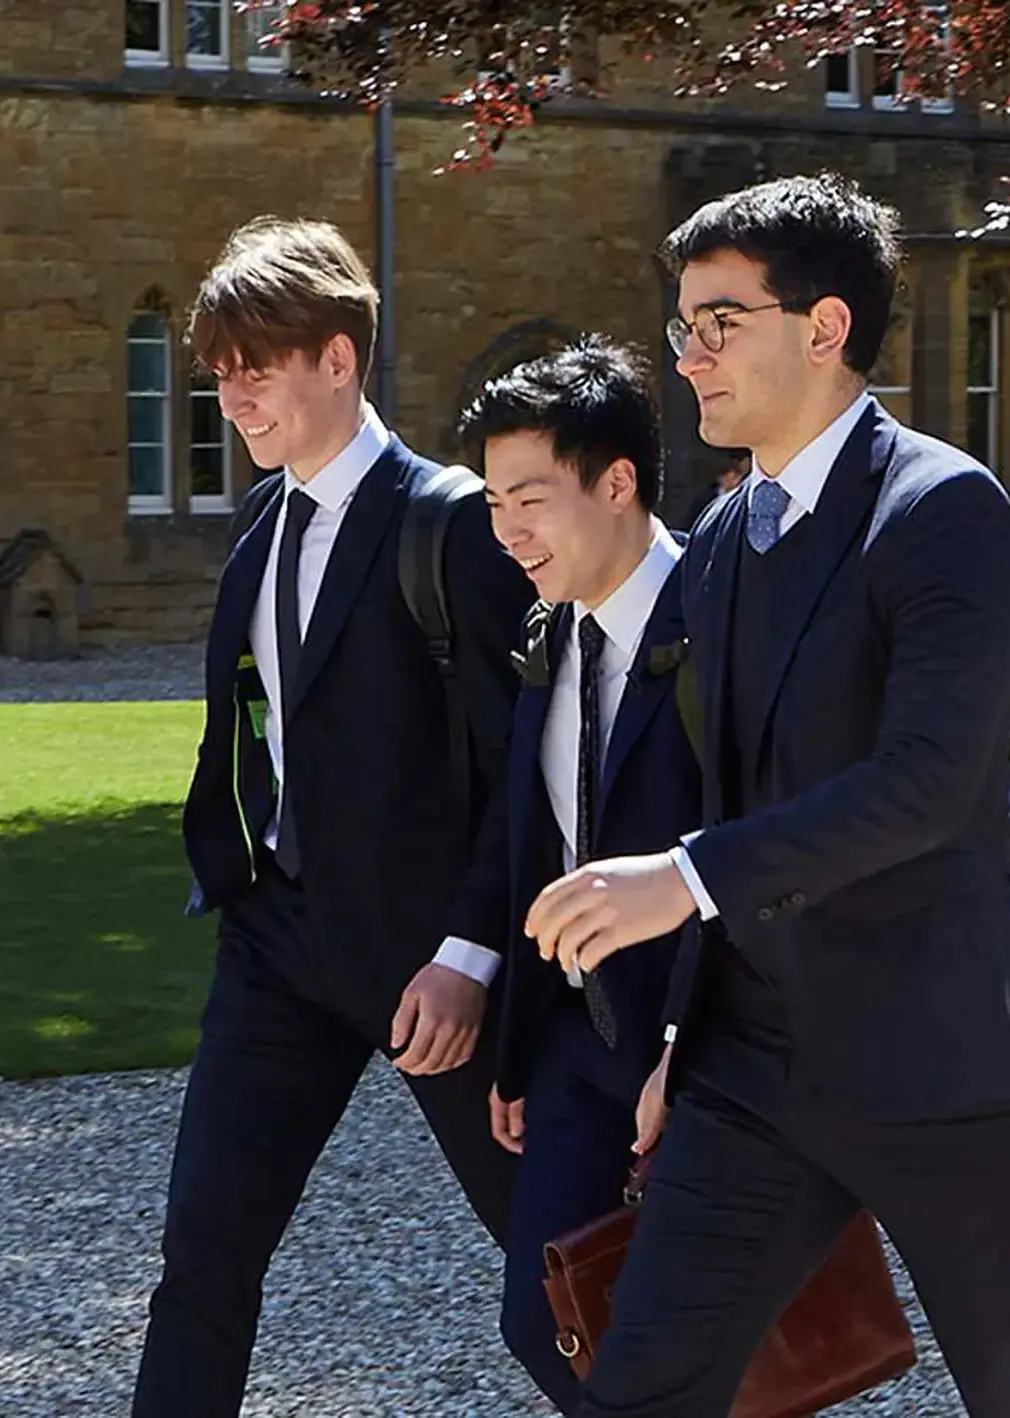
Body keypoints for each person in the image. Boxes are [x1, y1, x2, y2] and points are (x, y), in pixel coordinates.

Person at [525, 173, 1010, 1418]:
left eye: (717, 322)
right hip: (754, 1079)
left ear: (824, 325)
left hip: (943, 1072)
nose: (686, 357)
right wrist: (684, 1038)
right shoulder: (729, 536)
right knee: (640, 1388)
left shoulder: (946, 510)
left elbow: (926, 786)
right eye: (680, 326)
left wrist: (674, 882)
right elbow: (732, 789)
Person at [132, 217, 533, 1418]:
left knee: (563, 1256)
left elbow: (531, 764)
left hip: (434, 963)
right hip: (279, 948)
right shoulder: (259, 527)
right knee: (202, 1253)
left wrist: (471, 953)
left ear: (340, 356)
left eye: (257, 362)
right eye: (219, 367)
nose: (232, 390)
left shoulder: (453, 523)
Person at [452, 334, 702, 1415]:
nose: (506, 531)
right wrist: (511, 1031)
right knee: (541, 1316)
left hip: (700, 1059)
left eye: (529, 498)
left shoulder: (721, 624)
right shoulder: (544, 632)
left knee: (692, 1341)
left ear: (616, 483)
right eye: (493, 500)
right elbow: (529, 837)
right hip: (571, 1051)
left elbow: (762, 848)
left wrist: (689, 1045)